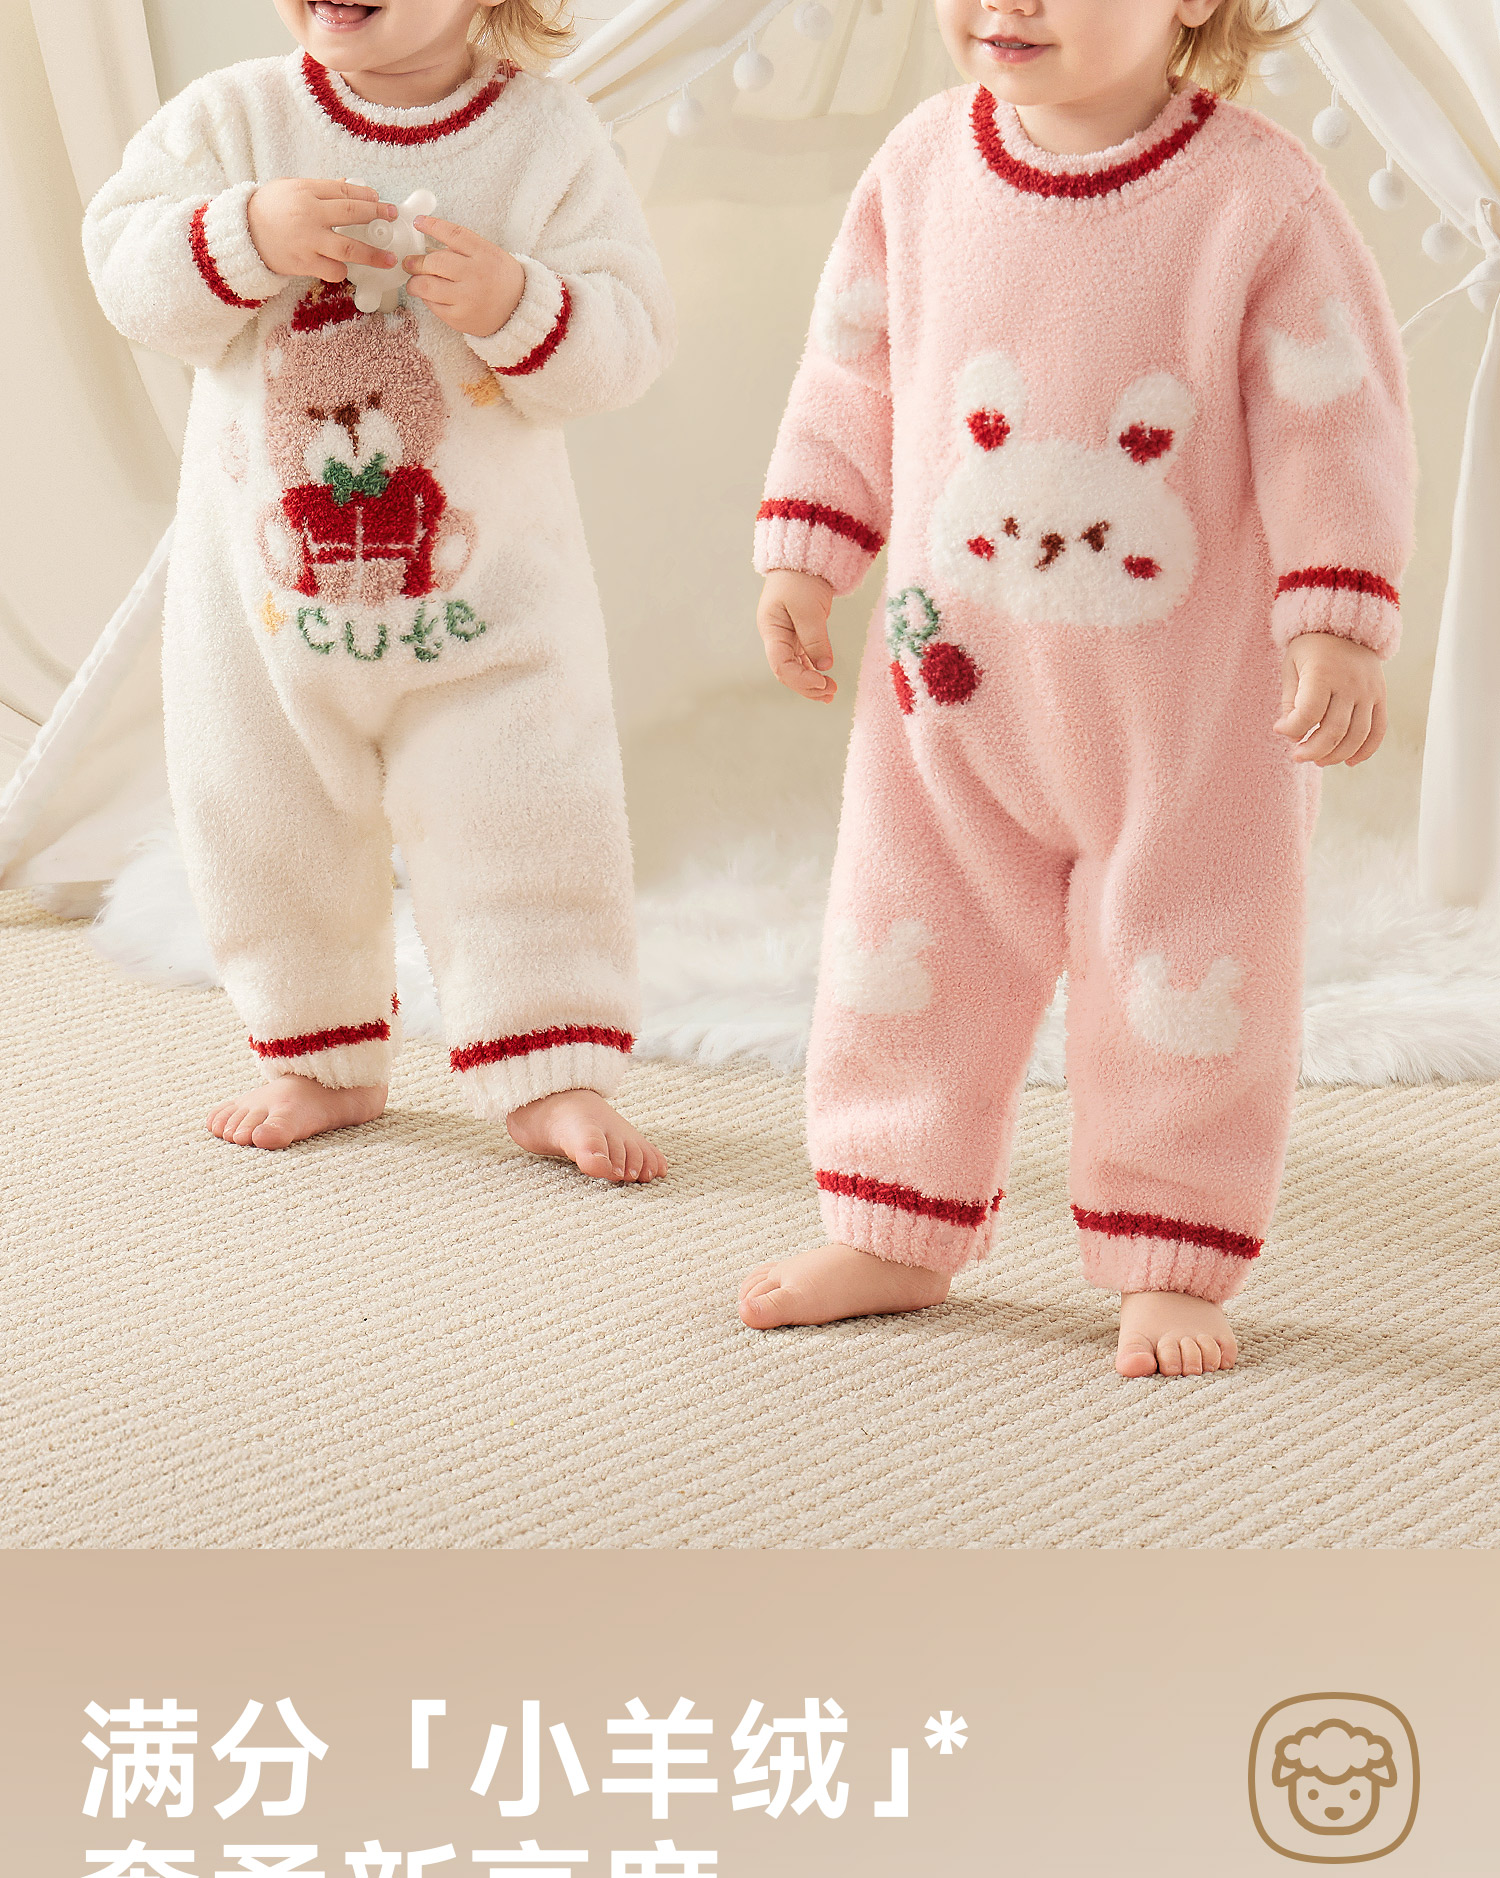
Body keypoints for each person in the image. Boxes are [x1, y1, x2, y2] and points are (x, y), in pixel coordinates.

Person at [739, 0, 1414, 1373]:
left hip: (1191, 722)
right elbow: (852, 371)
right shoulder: (920, 168)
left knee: (1189, 968)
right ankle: (895, 1218)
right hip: (951, 696)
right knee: (908, 944)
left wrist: (1336, 614)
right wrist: (808, 549)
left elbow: (1332, 417)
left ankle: (1170, 1245)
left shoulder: (1257, 201)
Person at [84, 0, 674, 1182]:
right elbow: (125, 272)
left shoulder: (546, 139)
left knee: (528, 820)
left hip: (491, 616)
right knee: (264, 827)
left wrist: (518, 303)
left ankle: (550, 1067)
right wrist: (242, 233)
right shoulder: (233, 121)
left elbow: (626, 345)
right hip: (264, 625)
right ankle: (318, 1054)